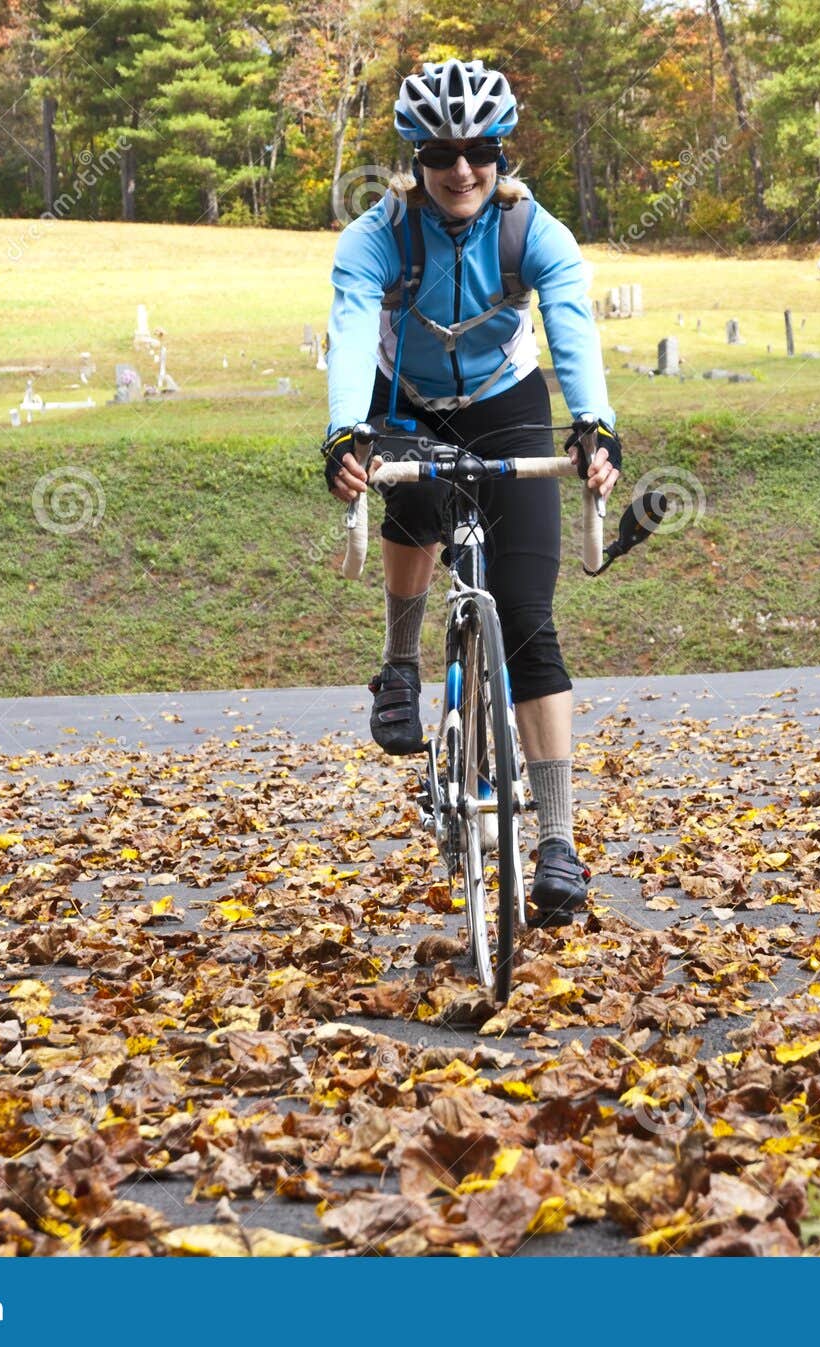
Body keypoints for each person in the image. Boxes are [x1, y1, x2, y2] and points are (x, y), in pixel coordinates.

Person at [322, 57, 622, 927]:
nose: (462, 170)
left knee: (529, 615)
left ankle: (558, 839)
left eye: (481, 150)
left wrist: (594, 424)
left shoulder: (537, 233)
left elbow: (571, 325)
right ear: (416, 158)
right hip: (403, 399)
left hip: (506, 401)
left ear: (502, 152)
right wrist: (347, 432)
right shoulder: (376, 237)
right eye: (443, 152)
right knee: (408, 493)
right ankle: (397, 664)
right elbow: (349, 332)